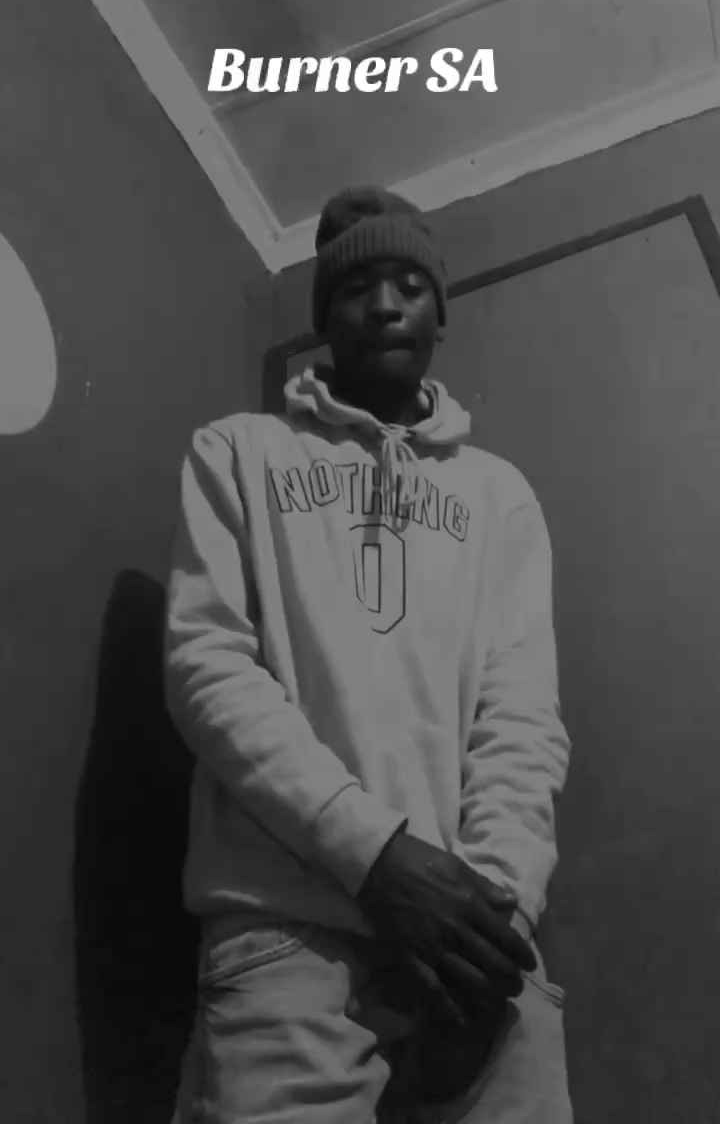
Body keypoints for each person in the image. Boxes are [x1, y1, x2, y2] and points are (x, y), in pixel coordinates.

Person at [164, 185, 572, 1123]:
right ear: (323, 316)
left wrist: (497, 916)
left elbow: (522, 720)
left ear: (439, 311)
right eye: (356, 288)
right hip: (285, 935)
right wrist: (376, 858)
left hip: (474, 945)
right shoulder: (236, 453)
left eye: (408, 285)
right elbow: (206, 666)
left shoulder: (501, 496)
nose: (385, 305)